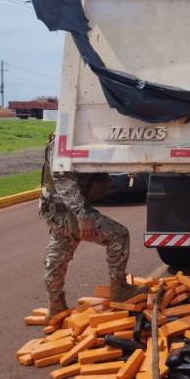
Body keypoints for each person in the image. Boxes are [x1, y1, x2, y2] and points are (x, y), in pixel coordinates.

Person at [39, 134, 147, 320]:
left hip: (58, 209)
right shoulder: (61, 141)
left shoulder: (76, 137)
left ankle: (56, 305)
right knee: (118, 235)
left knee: (58, 252)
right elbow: (62, 179)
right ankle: (118, 289)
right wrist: (83, 215)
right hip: (65, 209)